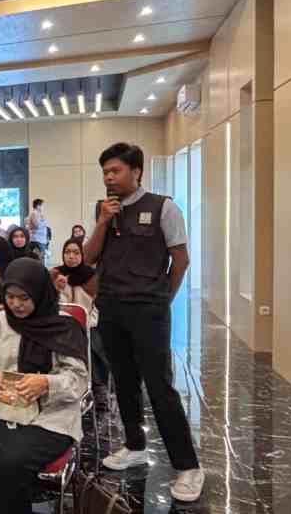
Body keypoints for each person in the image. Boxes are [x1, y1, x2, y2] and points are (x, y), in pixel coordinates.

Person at [84, 142, 201, 502]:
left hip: (149, 311)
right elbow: (88, 258)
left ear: (136, 171)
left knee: (159, 386)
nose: (109, 177)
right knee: (123, 381)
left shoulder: (163, 207)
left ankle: (188, 466)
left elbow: (181, 260)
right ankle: (135, 445)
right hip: (112, 309)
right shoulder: (105, 211)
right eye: (105, 172)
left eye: (115, 170)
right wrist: (102, 221)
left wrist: (163, 297)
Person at [0, 257, 89, 514]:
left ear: (40, 293)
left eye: (24, 298)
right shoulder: (0, 321)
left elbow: (78, 380)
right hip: (3, 408)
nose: (16, 304)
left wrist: (45, 383)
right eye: (10, 297)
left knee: (11, 461)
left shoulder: (64, 326)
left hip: (51, 416)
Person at [51, 238, 109, 385]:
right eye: (67, 252)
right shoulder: (55, 274)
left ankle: (98, 386)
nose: (71, 256)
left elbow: (96, 303)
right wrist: (56, 289)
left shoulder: (91, 276)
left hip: (88, 324)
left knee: (94, 346)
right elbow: (48, 302)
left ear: (82, 255)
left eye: (76, 253)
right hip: (61, 324)